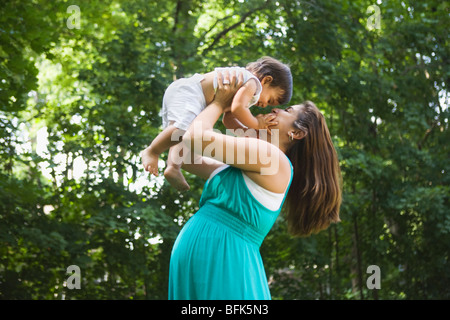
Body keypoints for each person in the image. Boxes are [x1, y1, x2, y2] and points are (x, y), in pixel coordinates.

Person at [168, 71, 342, 300]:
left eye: (288, 111)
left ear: (297, 133)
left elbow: (195, 139)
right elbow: (187, 158)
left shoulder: (273, 159)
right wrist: (201, 101)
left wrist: (219, 102)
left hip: (225, 261)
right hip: (206, 259)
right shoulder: (252, 159)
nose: (276, 109)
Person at [142, 56, 293, 191]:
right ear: (267, 80)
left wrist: (248, 132)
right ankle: (152, 151)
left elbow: (228, 119)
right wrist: (256, 123)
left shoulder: (243, 86)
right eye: (270, 100)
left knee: (183, 132)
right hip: (190, 92)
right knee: (181, 130)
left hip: (190, 95)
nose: (264, 106)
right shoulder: (252, 83)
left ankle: (173, 167)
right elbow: (237, 108)